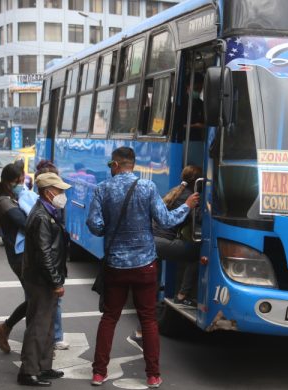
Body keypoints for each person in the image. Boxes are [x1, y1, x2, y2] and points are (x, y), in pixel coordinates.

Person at [86, 147, 199, 388]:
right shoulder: (147, 187)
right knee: (148, 319)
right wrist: (187, 205)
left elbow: (94, 225)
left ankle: (98, 373)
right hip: (145, 265)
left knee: (109, 318)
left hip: (116, 264)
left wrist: (111, 229)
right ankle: (153, 375)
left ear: (115, 165)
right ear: (132, 165)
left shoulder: (103, 189)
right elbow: (166, 220)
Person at [17, 172, 70, 387]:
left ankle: (44, 366)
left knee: (47, 324)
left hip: (44, 277)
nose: (62, 195)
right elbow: (44, 253)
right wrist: (56, 281)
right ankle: (28, 371)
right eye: (59, 191)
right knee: (38, 325)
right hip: (40, 279)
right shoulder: (41, 216)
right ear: (48, 193)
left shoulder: (49, 211)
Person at [0, 163, 28, 354]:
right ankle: (7, 329)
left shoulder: (13, 196)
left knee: (36, 298)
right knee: (37, 298)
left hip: (25, 254)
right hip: (19, 256)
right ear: (16, 179)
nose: (24, 181)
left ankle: (5, 328)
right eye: (22, 178)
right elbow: (24, 223)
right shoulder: (4, 201)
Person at [153, 165, 203, 306]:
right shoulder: (191, 197)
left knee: (153, 284)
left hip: (152, 240)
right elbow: (200, 218)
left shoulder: (175, 190)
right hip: (163, 242)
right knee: (199, 252)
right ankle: (182, 294)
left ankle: (148, 318)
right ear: (197, 182)